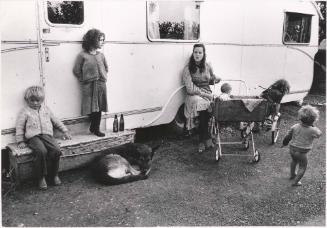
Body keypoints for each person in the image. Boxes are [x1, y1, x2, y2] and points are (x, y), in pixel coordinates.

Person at [16, 86, 72, 190]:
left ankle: (54, 174)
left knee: (56, 150)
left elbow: (56, 121)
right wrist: (20, 141)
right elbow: (19, 126)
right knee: (41, 151)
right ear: (27, 100)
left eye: (38, 100)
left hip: (47, 135)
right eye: (32, 100)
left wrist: (65, 131)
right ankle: (41, 177)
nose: (35, 103)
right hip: (33, 137)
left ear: (42, 100)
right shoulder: (25, 111)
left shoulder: (46, 109)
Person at [182, 43, 221, 153]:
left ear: (204, 54)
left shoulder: (207, 66)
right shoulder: (188, 69)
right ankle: (204, 139)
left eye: (200, 52)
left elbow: (211, 79)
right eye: (195, 52)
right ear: (192, 53)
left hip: (207, 93)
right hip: (195, 94)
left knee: (207, 110)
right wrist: (205, 95)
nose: (197, 54)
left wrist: (216, 79)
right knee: (202, 106)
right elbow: (190, 89)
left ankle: (204, 138)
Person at [73, 28, 108, 137]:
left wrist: (102, 76)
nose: (102, 42)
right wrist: (84, 80)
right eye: (100, 40)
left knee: (99, 106)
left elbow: (106, 67)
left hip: (101, 84)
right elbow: (76, 70)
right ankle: (94, 126)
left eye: (103, 40)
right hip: (89, 86)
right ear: (92, 40)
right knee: (91, 107)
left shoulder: (101, 55)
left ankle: (95, 128)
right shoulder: (82, 55)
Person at [282, 105, 322, 186]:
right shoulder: (313, 130)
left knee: (294, 161)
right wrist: (313, 125)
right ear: (313, 120)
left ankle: (292, 175)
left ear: (300, 118)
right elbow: (319, 134)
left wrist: (284, 143)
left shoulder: (295, 126)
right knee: (302, 166)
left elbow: (288, 136)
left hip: (292, 149)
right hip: (302, 152)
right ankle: (295, 182)